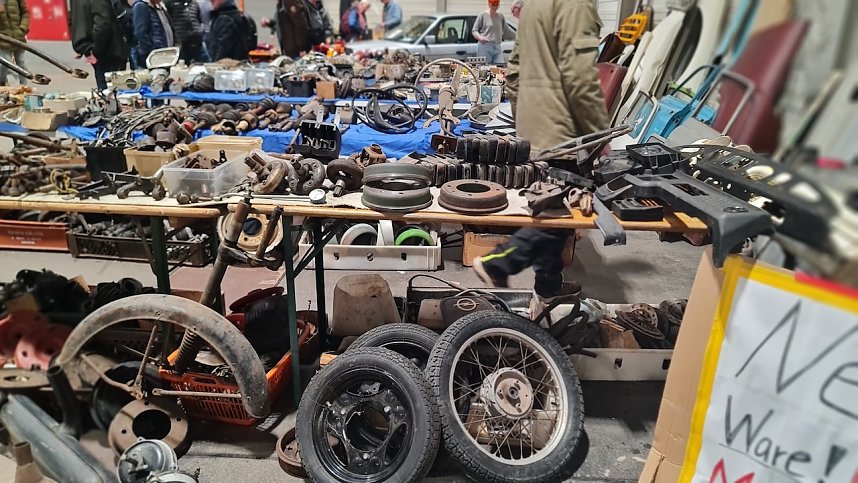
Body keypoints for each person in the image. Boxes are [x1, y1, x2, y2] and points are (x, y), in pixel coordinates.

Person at [472, 0, 609, 303]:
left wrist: (525, 123)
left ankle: (549, 286)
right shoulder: (577, 6)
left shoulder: (534, 6)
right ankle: (498, 263)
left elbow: (513, 73)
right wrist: (600, 135)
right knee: (561, 214)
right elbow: (580, 78)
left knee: (552, 210)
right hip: (562, 129)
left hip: (537, 126)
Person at [70, 0, 129, 91]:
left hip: (100, 50)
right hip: (108, 52)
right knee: (111, 91)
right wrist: (95, 51)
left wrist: (81, 44)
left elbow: (78, 19)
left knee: (107, 90)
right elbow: (102, 24)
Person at [262, 0, 331, 58]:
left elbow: (301, 24)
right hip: (290, 49)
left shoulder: (290, 1)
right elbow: (284, 23)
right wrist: (270, 23)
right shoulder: (282, 4)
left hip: (297, 51)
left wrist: (302, 48)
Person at [132, 0, 175, 65]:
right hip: (154, 57)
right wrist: (151, 53)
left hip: (165, 54)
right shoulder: (141, 6)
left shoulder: (160, 6)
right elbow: (140, 34)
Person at [471, 0, 514, 65]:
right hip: (485, 46)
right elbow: (474, 30)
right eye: (493, 4)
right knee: (485, 68)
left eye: (497, 5)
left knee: (500, 66)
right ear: (489, 4)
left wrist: (519, 36)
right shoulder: (483, 15)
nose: (495, 7)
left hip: (497, 46)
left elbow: (507, 31)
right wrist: (480, 38)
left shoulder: (500, 16)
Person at [0, 0, 29, 86]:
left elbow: (25, 13)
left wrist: (23, 28)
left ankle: (25, 86)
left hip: (18, 36)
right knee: (5, 63)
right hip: (3, 39)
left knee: (21, 62)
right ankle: (1, 82)